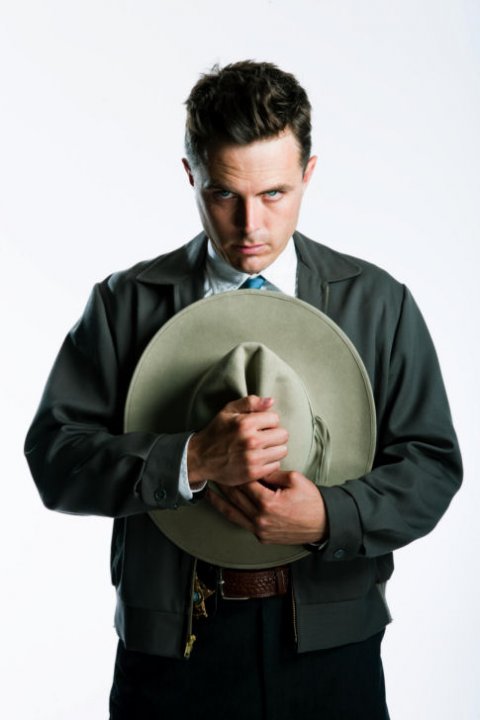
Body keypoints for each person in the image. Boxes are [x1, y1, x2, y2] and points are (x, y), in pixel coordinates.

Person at [25, 61, 462, 719]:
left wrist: (329, 517)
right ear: (191, 175)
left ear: (309, 174)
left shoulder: (379, 304)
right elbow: (56, 458)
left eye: (275, 193)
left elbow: (431, 465)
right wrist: (191, 459)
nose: (250, 224)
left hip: (331, 648)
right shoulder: (123, 304)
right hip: (174, 652)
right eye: (224, 194)